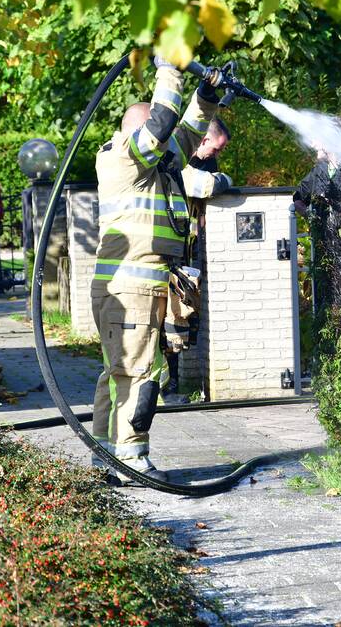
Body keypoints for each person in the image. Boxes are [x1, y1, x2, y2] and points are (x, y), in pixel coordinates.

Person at [91, 54, 230, 483]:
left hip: (142, 285)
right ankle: (132, 458)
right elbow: (166, 122)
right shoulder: (123, 157)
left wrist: (207, 92)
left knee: (119, 373)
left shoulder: (154, 163)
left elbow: (186, 131)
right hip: (129, 285)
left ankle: (106, 455)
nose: (168, 144)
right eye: (155, 133)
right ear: (138, 129)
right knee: (140, 372)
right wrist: (169, 68)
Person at [160, 116, 233, 401]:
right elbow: (205, 186)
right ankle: (165, 386)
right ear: (203, 140)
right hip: (167, 255)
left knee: (179, 320)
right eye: (215, 149)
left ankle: (171, 383)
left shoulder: (199, 164)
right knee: (168, 321)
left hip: (182, 254)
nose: (216, 155)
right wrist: (224, 179)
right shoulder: (177, 165)